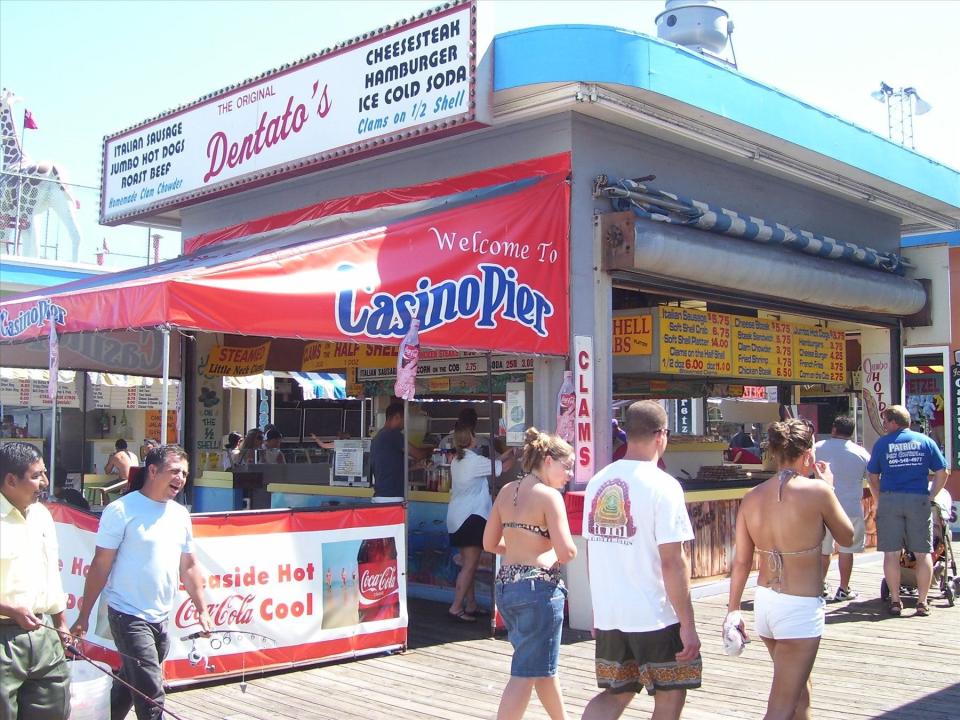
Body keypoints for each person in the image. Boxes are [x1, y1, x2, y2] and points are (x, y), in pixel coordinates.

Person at [70, 444, 213, 720]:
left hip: (160, 616)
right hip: (127, 614)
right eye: (174, 471)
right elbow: (100, 565)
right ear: (152, 470)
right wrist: (83, 616)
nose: (180, 478)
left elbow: (189, 566)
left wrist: (202, 608)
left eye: (184, 473)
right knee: (151, 692)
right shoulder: (121, 509)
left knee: (130, 680)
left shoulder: (180, 514)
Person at [581, 400, 701, 720]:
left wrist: (598, 607)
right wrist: (687, 625)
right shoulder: (664, 485)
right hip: (656, 615)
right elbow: (673, 563)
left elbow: (592, 551)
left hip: (611, 613)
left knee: (614, 694)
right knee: (670, 694)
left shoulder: (598, 482)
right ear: (661, 435)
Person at [727, 418, 853, 720]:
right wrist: (829, 488)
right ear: (808, 454)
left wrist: (733, 609)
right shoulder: (818, 492)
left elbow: (742, 561)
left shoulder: (752, 497)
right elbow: (849, 536)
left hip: (766, 603)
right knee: (781, 706)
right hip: (800, 606)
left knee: (799, 693)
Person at [483, 427, 576, 720]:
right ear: (548, 461)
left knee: (541, 667)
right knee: (525, 672)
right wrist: (544, 556)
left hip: (507, 588)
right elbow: (568, 552)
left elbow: (489, 543)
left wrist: (517, 550)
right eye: (567, 466)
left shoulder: (507, 491)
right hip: (539, 592)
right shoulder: (549, 497)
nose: (569, 474)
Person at [0, 442, 71, 720]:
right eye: (36, 475)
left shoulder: (42, 515)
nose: (45, 482)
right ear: (10, 480)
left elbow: (51, 573)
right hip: (4, 637)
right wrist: (11, 610)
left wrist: (61, 621)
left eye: (44, 473)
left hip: (45, 635)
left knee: (54, 710)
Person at [867, 404, 948, 618]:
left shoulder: (882, 444)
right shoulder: (925, 442)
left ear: (894, 422)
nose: (884, 425)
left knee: (891, 553)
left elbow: (872, 476)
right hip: (918, 499)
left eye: (885, 421)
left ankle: (895, 600)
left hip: (891, 499)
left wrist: (878, 499)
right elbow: (943, 472)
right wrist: (931, 495)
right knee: (923, 553)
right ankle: (922, 602)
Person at [447, 423, 513, 622]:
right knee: (470, 565)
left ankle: (471, 604)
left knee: (468, 564)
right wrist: (517, 455)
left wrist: (506, 453)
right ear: (472, 439)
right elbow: (503, 467)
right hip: (472, 517)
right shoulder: (475, 462)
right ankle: (456, 607)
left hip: (456, 517)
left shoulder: (457, 461)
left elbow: (491, 463)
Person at [815, 415, 872, 602]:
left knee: (824, 551)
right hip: (850, 507)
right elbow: (872, 478)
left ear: (833, 429)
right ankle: (843, 588)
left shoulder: (818, 448)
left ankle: (820, 586)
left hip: (823, 507)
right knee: (847, 550)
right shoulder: (861, 453)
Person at [370, 401, 431, 503]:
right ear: (397, 417)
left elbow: (389, 469)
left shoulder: (378, 436)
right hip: (392, 497)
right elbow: (419, 454)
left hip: (380, 496)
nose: (405, 423)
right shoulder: (393, 434)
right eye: (404, 419)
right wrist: (432, 449)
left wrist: (415, 467)